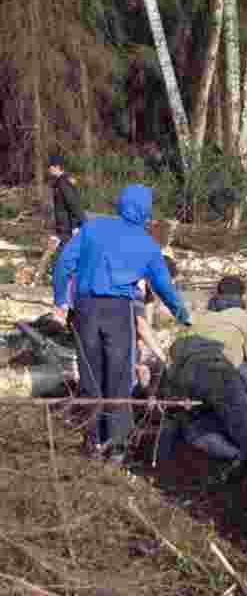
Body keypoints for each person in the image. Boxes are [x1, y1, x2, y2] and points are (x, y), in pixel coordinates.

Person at [52, 185, 191, 462]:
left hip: (85, 309)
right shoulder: (147, 244)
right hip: (119, 312)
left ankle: (91, 442)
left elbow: (64, 263)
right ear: (146, 212)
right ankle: (115, 446)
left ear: (120, 205)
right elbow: (163, 285)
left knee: (91, 377)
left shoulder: (93, 228)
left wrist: (60, 300)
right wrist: (182, 314)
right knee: (118, 378)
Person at [158, 277, 247, 492]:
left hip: (178, 376)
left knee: (195, 427)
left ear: (217, 295)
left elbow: (174, 351)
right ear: (242, 297)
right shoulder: (245, 320)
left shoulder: (200, 318)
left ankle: (231, 455)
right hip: (216, 373)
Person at [47, 154, 85, 248]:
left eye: (50, 166)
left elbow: (73, 205)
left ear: (57, 167)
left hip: (68, 229)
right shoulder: (59, 182)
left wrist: (75, 226)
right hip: (63, 227)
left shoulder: (64, 183)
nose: (49, 169)